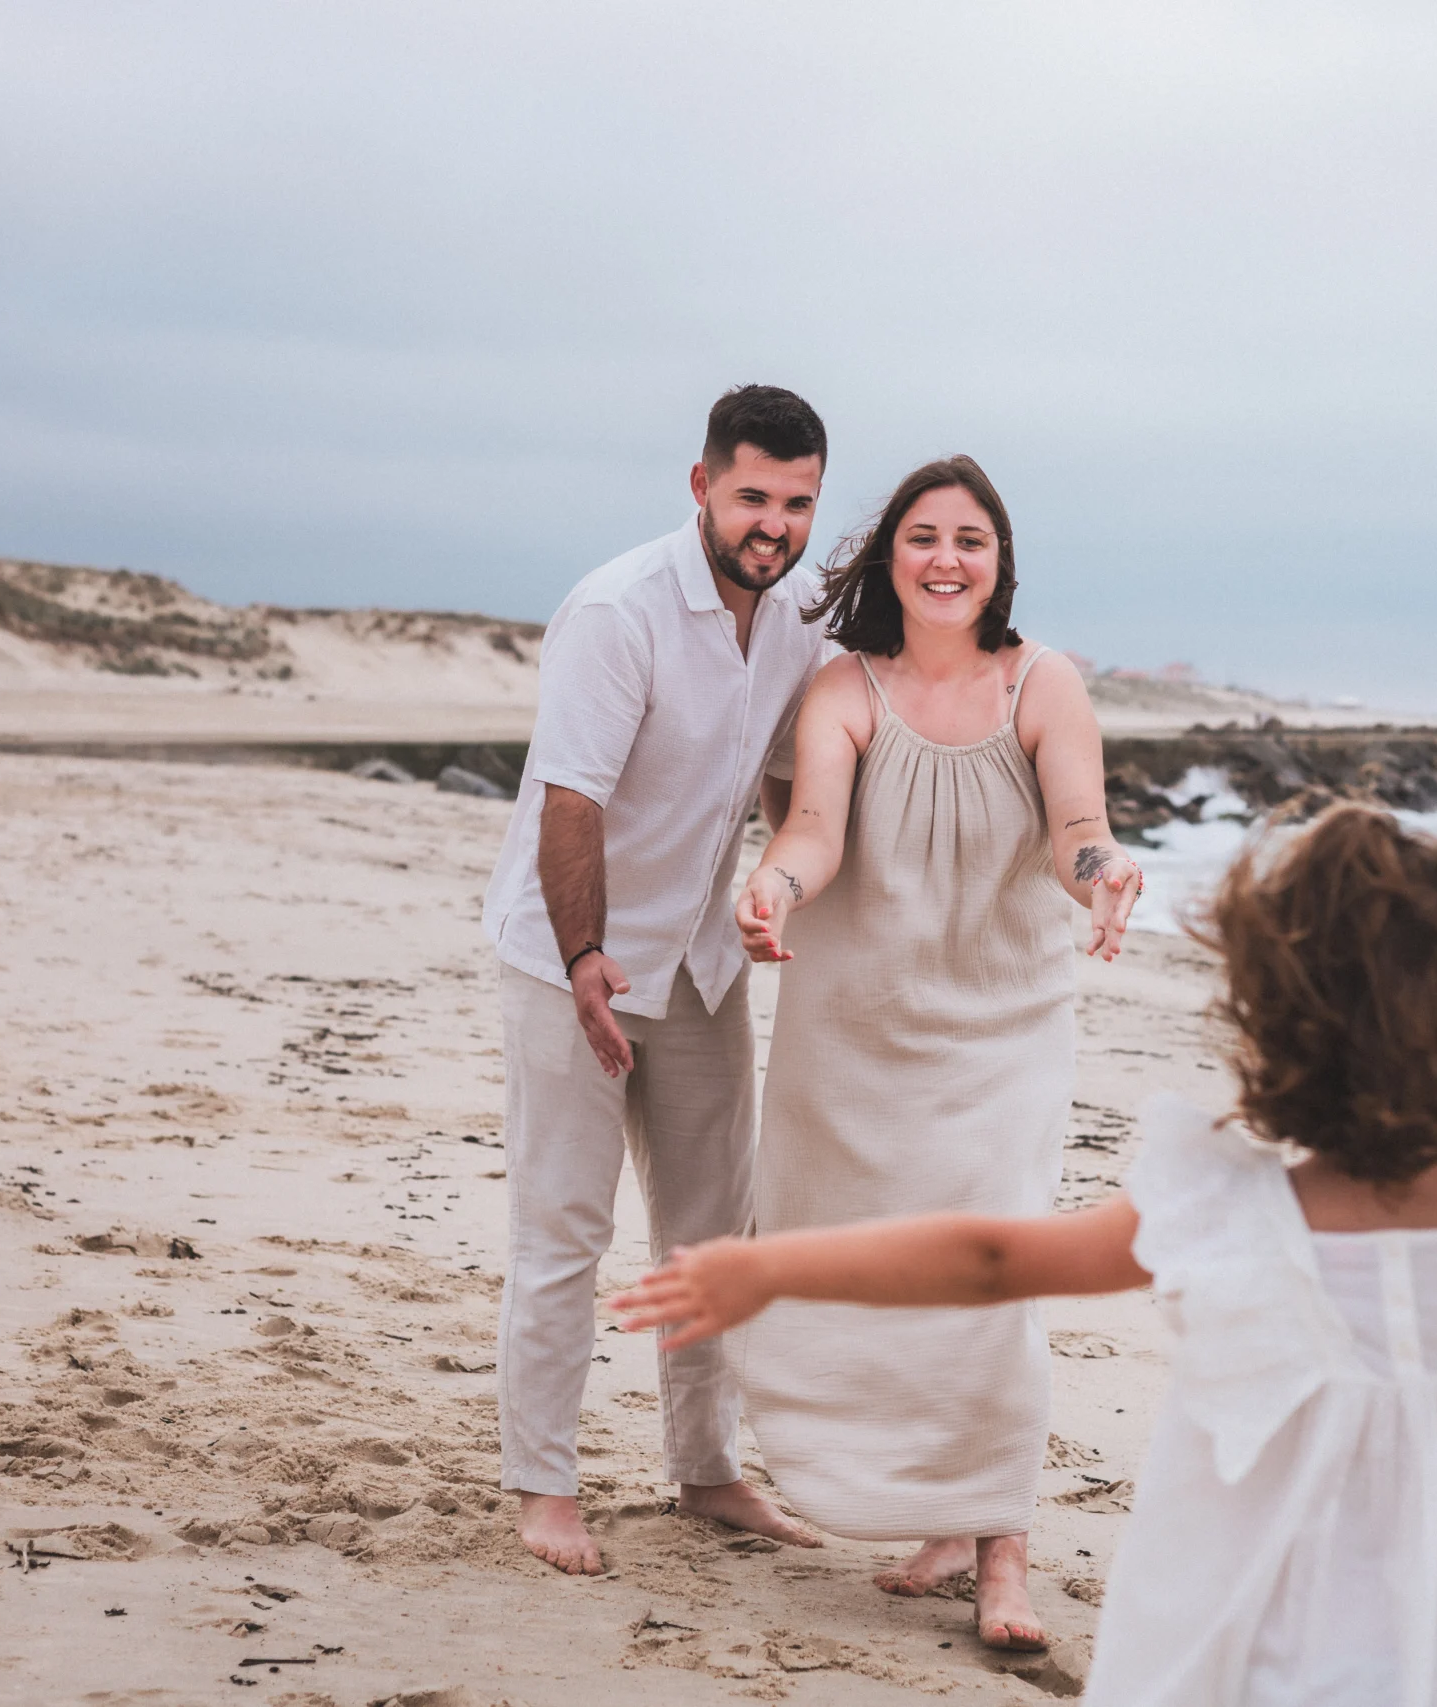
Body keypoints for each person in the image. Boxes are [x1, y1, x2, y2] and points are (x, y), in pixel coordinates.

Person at [617, 805, 1437, 1703]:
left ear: (1272, 1005)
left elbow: (988, 1256)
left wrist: (776, 1265)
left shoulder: (1211, 1195)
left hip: (1251, 1633)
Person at [726, 455, 1145, 1650]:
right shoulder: (845, 687)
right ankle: (942, 1518)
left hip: (1001, 1035)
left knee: (989, 1277)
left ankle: (1001, 1549)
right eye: (923, 537)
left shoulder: (1041, 681)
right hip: (853, 1036)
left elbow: (1077, 830)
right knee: (872, 1270)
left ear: (999, 562)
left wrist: (1105, 875)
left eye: (970, 539)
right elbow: (812, 830)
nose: (946, 559)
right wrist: (773, 890)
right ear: (890, 557)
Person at [479, 384, 834, 1575]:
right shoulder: (617, 611)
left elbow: (792, 786)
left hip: (700, 966)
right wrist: (584, 959)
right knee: (564, 1232)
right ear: (701, 488)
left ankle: (706, 1470)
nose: (770, 526)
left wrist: (783, 884)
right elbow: (569, 796)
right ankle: (544, 1486)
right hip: (565, 958)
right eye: (750, 498)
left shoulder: (794, 631)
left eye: (793, 504)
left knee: (708, 1235)